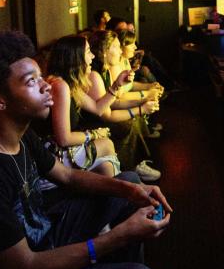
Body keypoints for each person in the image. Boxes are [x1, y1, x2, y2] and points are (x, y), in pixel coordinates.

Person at [0, 31, 176, 269]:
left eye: (41, 76)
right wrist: (120, 236)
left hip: (45, 233)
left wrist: (130, 190)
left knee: (128, 181)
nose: (47, 85)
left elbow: (67, 175)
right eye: (31, 81)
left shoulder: (22, 136)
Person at [44, 35, 154, 177]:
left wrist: (117, 85)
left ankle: (122, 187)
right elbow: (63, 139)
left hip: (64, 148)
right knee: (107, 144)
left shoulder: (70, 84)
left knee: (107, 166)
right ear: (75, 57)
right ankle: (127, 185)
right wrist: (95, 134)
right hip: (54, 154)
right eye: (88, 51)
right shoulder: (60, 85)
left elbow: (98, 108)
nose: (93, 56)